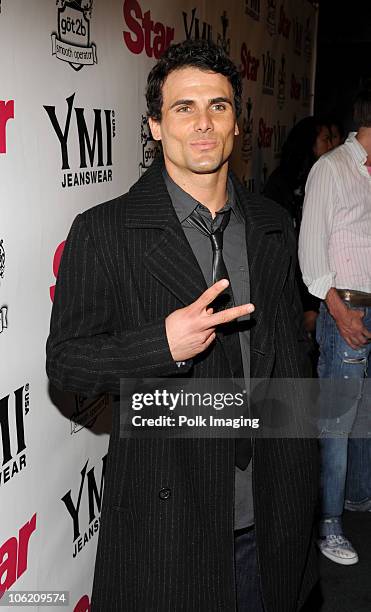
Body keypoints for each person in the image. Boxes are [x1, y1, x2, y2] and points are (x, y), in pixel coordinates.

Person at [47, 40, 318, 611]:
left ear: (237, 124)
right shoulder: (105, 230)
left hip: (270, 516)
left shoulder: (271, 224)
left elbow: (289, 356)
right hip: (168, 523)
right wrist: (159, 345)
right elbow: (67, 361)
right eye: (182, 107)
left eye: (218, 106)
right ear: (153, 125)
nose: (203, 123)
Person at [299, 89, 371, 566]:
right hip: (345, 306)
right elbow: (310, 252)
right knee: (338, 425)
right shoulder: (331, 169)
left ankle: (359, 498)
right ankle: (327, 525)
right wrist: (338, 312)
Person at [264, 117, 333, 371]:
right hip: (291, 300)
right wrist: (305, 306)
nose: (332, 145)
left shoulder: (322, 179)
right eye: (326, 139)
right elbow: (287, 253)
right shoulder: (281, 185)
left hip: (314, 296)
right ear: (309, 145)